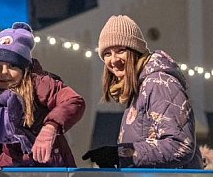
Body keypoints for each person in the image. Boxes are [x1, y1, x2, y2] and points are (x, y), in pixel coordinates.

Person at [0, 22, 85, 177]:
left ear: (24, 69)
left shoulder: (39, 84)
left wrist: (50, 127)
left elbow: (73, 101)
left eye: (12, 66)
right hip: (12, 171)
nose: (4, 73)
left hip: (53, 168)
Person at [82, 15, 203, 169]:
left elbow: (180, 145)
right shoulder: (141, 87)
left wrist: (120, 154)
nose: (113, 60)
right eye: (107, 53)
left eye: (120, 50)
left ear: (135, 51)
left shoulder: (159, 83)